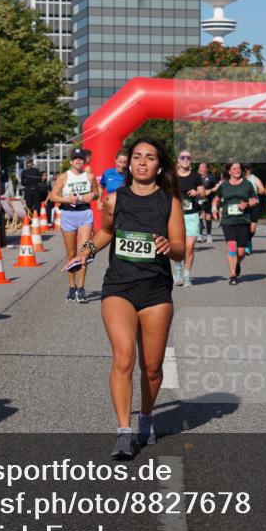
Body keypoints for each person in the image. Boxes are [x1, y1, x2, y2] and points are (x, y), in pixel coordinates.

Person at [65, 136, 186, 459]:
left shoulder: (170, 203)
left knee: (152, 367)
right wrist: (84, 252)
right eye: (137, 157)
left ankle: (146, 416)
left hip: (156, 290)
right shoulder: (115, 199)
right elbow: (106, 232)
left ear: (159, 165)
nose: (143, 162)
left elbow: (179, 248)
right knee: (123, 357)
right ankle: (123, 432)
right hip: (119, 286)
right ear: (129, 163)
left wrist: (167, 246)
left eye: (149, 157)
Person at [50, 148, 100, 303]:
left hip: (85, 214)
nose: (78, 160)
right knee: (71, 254)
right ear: (71, 161)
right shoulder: (64, 177)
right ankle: (71, 287)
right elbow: (52, 196)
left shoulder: (90, 176)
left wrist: (92, 195)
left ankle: (81, 288)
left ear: (84, 161)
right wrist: (66, 199)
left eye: (81, 158)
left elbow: (97, 194)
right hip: (68, 216)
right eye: (75, 158)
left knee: (85, 251)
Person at [212, 161, 258, 285]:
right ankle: (232, 275)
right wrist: (214, 209)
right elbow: (216, 200)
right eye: (234, 168)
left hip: (243, 220)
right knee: (231, 246)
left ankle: (237, 262)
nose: (237, 170)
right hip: (228, 220)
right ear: (229, 171)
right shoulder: (224, 185)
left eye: (239, 168)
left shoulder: (247, 184)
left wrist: (247, 204)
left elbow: (255, 200)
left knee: (241, 252)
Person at [174, 150, 205, 287]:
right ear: (178, 161)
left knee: (190, 247)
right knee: (178, 247)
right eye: (182, 157)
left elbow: (203, 194)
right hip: (176, 216)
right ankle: (178, 269)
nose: (185, 159)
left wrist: (197, 191)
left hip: (192, 215)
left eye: (188, 157)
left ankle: (187, 276)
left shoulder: (196, 177)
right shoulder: (172, 176)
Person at [243, 164, 265, 254]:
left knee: (252, 229)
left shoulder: (254, 179)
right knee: (243, 226)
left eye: (248, 168)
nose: (246, 170)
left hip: (254, 204)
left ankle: (248, 240)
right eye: (244, 168)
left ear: (250, 169)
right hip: (243, 205)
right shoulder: (239, 178)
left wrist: (259, 190)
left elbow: (263, 190)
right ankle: (245, 244)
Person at [198, 161, 219, 243]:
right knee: (200, 215)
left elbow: (217, 186)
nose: (201, 169)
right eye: (200, 167)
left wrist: (210, 190)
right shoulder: (196, 177)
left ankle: (209, 235)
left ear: (206, 169)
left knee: (208, 216)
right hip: (198, 199)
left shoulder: (211, 177)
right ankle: (200, 235)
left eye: (203, 167)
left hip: (208, 199)